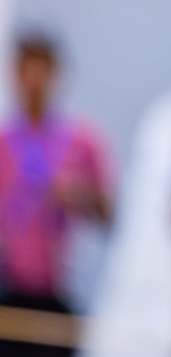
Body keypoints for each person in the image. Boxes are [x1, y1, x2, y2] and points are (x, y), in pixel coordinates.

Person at [0, 32, 112, 357]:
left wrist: (80, 196)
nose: (33, 82)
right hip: (8, 286)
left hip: (63, 288)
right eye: (25, 71)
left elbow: (109, 215)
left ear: (56, 75)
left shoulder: (82, 140)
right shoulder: (5, 141)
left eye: (41, 71)